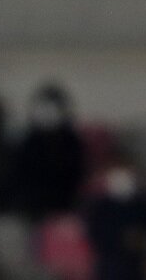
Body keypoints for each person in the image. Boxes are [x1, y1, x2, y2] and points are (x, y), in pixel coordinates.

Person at [7, 84, 87, 219]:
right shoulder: (29, 141)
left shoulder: (72, 142)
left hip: (65, 207)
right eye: (44, 109)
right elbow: (19, 176)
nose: (48, 114)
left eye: (53, 109)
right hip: (31, 209)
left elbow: (76, 176)